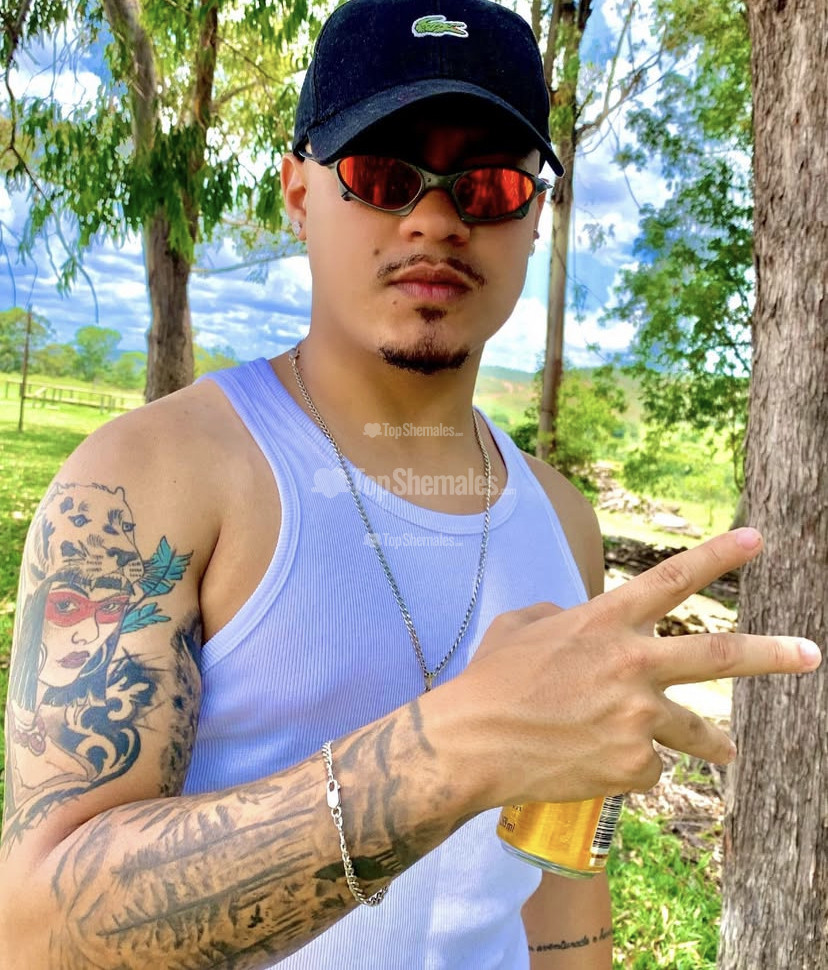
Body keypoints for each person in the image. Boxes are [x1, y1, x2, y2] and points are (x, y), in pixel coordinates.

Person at [0, 1, 820, 967]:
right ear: (299, 193)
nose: (435, 219)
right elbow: (36, 930)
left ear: (534, 217)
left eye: (489, 184)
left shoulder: (563, 521)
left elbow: (557, 877)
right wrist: (456, 748)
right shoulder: (153, 478)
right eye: (383, 176)